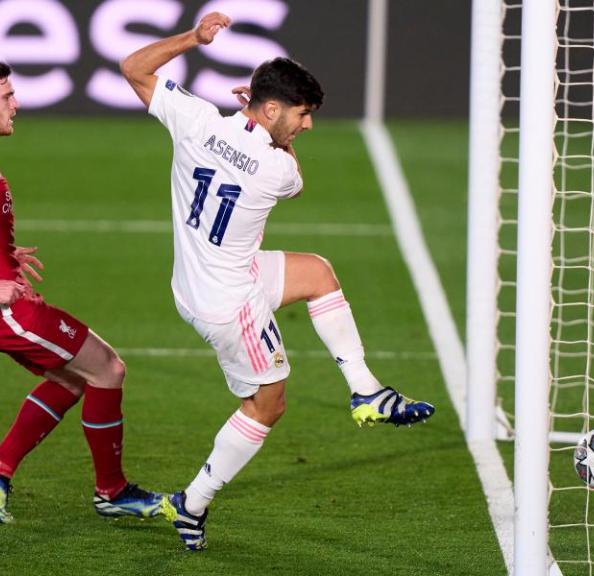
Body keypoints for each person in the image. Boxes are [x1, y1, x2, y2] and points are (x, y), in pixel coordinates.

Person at [121, 13, 435, 551]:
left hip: (200, 278)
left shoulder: (198, 121)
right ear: (271, 107)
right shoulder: (278, 172)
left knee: (317, 272)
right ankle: (192, 504)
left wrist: (194, 40)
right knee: (269, 406)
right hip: (229, 301)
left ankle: (366, 392)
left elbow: (132, 66)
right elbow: (290, 170)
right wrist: (267, 132)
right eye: (302, 115)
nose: (306, 125)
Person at [0, 57, 166, 524]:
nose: (16, 103)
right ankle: (111, 491)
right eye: (6, 96)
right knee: (108, 369)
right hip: (4, 312)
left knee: (72, 378)